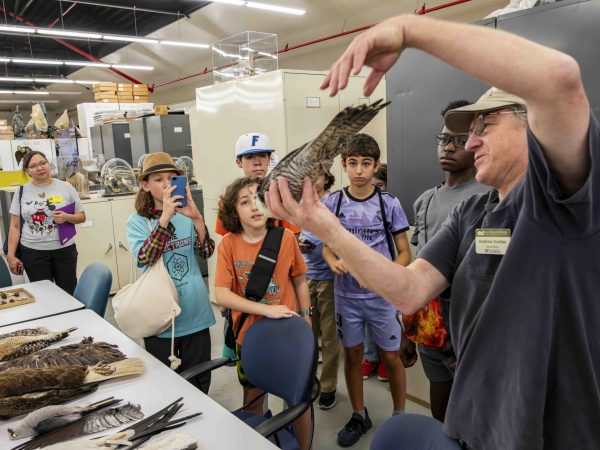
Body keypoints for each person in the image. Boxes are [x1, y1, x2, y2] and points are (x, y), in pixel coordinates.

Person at [265, 13, 595, 450]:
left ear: (531, 124)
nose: (470, 142)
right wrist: (325, 227)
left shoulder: (562, 201)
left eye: (485, 127)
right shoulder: (472, 213)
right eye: (468, 132)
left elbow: (559, 77)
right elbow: (406, 290)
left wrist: (409, 30)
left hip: (555, 430)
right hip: (477, 420)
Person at [322, 134, 411, 447]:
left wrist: (384, 275)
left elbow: (404, 253)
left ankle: (400, 415)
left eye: (366, 163)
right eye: (353, 163)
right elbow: (328, 247)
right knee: (353, 355)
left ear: (375, 166)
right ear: (344, 166)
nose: (359, 170)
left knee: (391, 356)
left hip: (381, 299)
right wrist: (333, 261)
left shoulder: (389, 204)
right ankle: (359, 414)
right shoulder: (333, 202)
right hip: (347, 298)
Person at [214, 176, 312, 450]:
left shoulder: (286, 238)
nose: (255, 207)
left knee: (298, 401)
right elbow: (222, 295)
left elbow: (300, 280)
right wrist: (265, 310)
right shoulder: (229, 245)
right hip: (249, 337)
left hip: (288, 336)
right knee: (253, 399)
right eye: (245, 202)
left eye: (259, 199)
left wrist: (307, 316)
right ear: (234, 212)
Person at [405, 100, 489, 422]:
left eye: (458, 140)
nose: (448, 147)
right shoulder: (424, 200)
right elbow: (417, 269)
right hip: (429, 324)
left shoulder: (488, 200)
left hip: (468, 326)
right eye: (443, 139)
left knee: (470, 408)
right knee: (438, 398)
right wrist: (409, 331)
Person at [127, 152, 215, 393]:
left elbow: (206, 252)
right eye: (158, 179)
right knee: (167, 385)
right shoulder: (136, 221)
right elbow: (145, 257)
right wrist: (165, 217)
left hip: (195, 312)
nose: (167, 184)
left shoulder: (186, 215)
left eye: (171, 178)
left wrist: (197, 220)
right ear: (145, 185)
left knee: (200, 382)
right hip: (160, 318)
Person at [7, 151, 85, 294]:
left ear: (48, 164)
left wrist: (68, 217)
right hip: (33, 252)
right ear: (27, 171)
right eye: (33, 166)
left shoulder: (65, 187)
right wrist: (11, 256)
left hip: (64, 250)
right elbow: (15, 226)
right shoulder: (22, 191)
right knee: (43, 295)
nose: (40, 168)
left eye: (43, 163)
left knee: (69, 293)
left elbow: (82, 216)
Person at [298, 172, 341, 410]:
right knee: (307, 335)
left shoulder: (334, 202)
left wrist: (317, 247)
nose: (313, 180)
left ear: (326, 178)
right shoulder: (301, 204)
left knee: (330, 337)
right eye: (309, 175)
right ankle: (308, 380)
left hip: (328, 280)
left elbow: (340, 238)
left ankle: (328, 387)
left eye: (318, 176)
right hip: (304, 279)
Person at [215, 132, 300, 236]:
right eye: (250, 157)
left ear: (270, 159)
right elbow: (227, 243)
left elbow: (293, 243)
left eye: (262, 156)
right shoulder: (228, 201)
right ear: (239, 162)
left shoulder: (283, 196)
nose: (257, 162)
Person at [362, 162, 389, 381]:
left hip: (386, 270)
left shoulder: (390, 207)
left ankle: (385, 359)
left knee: (384, 317)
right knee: (367, 319)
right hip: (365, 272)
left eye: (380, 185)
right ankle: (370, 357)